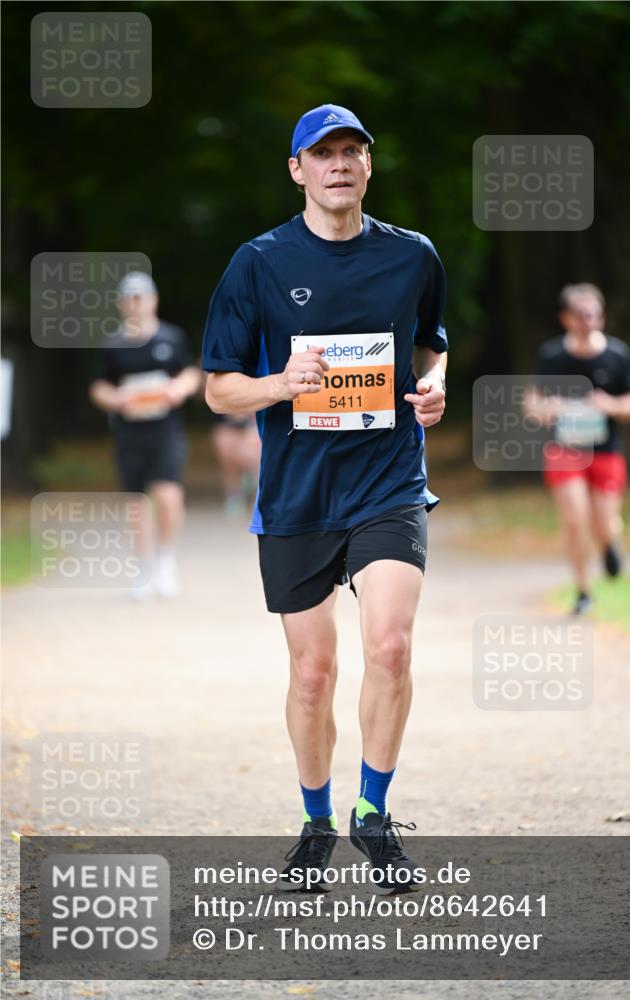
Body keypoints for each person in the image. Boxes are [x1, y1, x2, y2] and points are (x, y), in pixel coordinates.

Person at [202, 104, 447, 891]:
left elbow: (433, 344)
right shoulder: (259, 262)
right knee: (313, 673)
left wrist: (434, 389)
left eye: (352, 151)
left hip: (387, 481)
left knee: (391, 647)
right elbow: (216, 388)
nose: (339, 164)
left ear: (368, 167)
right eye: (323, 153)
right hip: (299, 493)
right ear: (297, 170)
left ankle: (372, 815)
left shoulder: (412, 257)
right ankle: (314, 823)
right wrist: (278, 384)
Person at [526, 283, 630, 615]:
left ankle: (610, 543)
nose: (589, 320)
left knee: (603, 525)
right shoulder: (552, 356)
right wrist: (546, 410)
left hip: (606, 451)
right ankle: (583, 590)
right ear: (566, 318)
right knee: (575, 520)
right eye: (582, 314)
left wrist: (611, 405)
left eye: (595, 313)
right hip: (566, 451)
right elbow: (532, 404)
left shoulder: (617, 354)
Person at [89, 271, 201, 599]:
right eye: (130, 299)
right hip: (129, 432)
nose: (136, 305)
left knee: (167, 494)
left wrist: (178, 389)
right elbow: (99, 386)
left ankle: (166, 556)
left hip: (165, 431)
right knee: (137, 502)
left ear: (153, 300)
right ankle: (143, 563)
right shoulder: (113, 345)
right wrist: (116, 399)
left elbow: (190, 373)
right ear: (122, 304)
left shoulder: (171, 338)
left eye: (142, 298)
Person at [209, 412, 261, 515]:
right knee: (229, 465)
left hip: (252, 423)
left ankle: (254, 496)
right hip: (226, 423)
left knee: (252, 461)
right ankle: (233, 497)